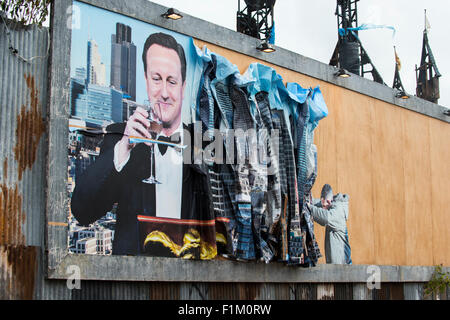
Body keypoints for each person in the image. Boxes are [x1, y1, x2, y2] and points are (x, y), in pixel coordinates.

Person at [71, 32, 214, 256]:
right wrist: (123, 149)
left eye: (172, 81)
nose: (164, 93)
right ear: (146, 80)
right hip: (133, 286)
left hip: (189, 284)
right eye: (157, 79)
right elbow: (82, 211)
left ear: (183, 87)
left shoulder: (201, 143)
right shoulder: (121, 137)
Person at [307, 184, 352, 264]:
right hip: (336, 265)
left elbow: (326, 218)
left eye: (324, 207)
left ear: (328, 202)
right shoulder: (331, 205)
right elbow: (319, 204)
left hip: (342, 265)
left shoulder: (338, 211)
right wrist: (307, 201)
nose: (323, 209)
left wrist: (308, 207)